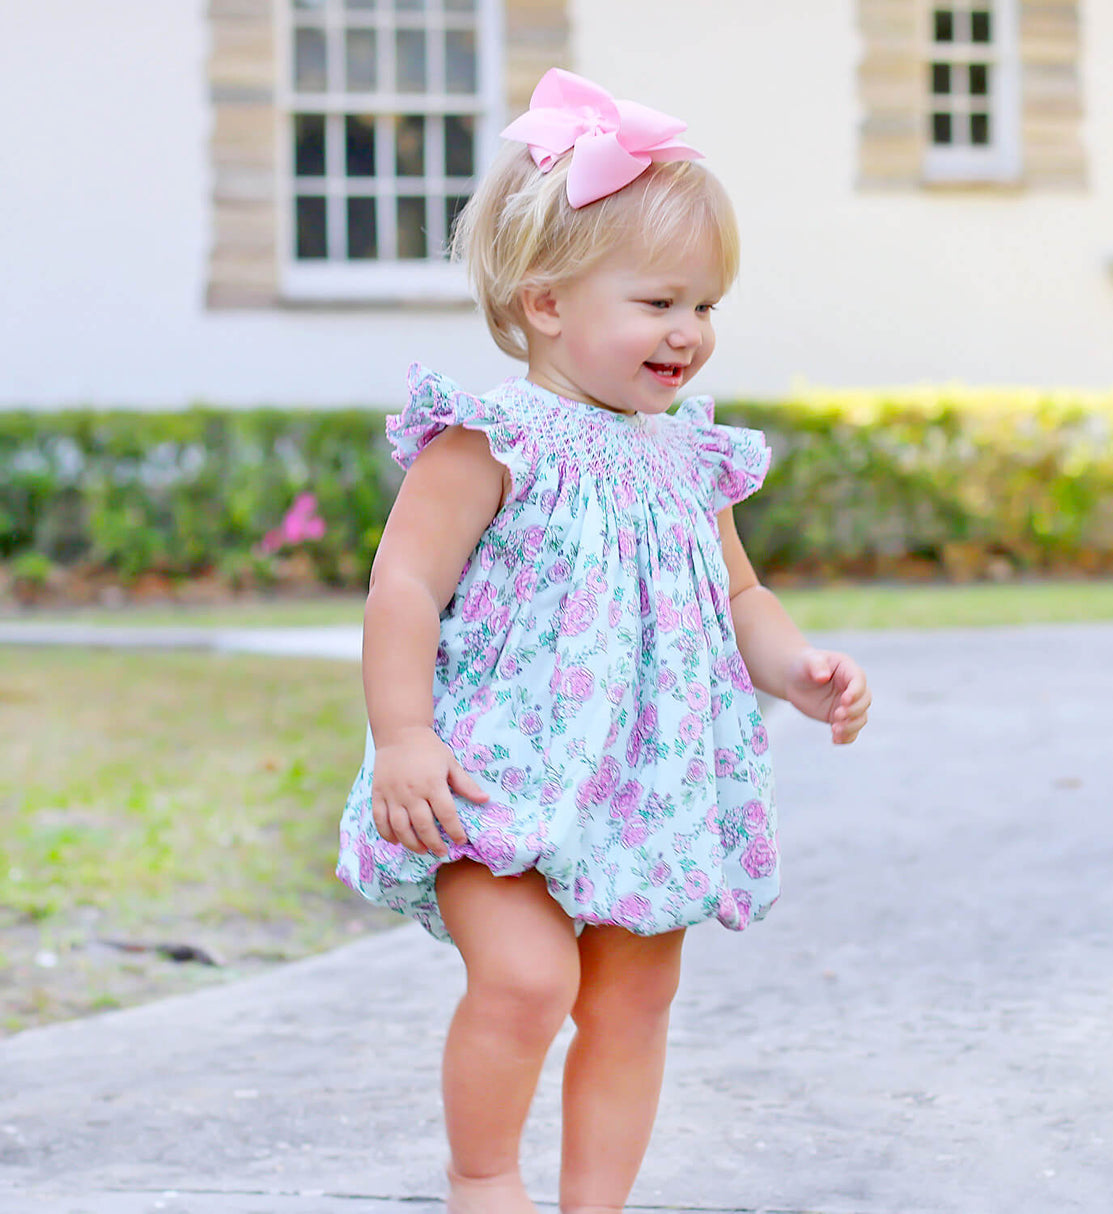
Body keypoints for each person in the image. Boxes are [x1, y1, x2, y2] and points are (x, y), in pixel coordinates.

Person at [337, 68, 871, 1214]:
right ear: (544, 303)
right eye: (660, 300)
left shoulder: (687, 455)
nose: (689, 331)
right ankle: (484, 1177)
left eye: (706, 305)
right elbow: (403, 585)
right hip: (495, 772)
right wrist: (404, 736)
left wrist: (796, 669)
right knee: (527, 979)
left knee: (632, 1002)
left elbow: (737, 594)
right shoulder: (490, 440)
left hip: (645, 783)